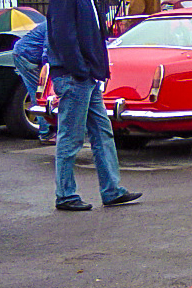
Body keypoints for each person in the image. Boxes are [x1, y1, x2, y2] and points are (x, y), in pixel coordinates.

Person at [47, 0, 142, 211]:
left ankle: (112, 190)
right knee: (71, 138)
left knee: (103, 133)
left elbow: (95, 37)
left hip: (86, 76)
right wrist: (80, 70)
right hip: (76, 76)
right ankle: (65, 194)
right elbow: (64, 36)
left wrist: (95, 71)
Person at [13, 21, 53, 144]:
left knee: (40, 93)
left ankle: (47, 131)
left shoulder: (53, 22)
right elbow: (48, 49)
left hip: (24, 53)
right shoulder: (54, 24)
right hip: (27, 56)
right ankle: (46, 133)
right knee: (40, 94)